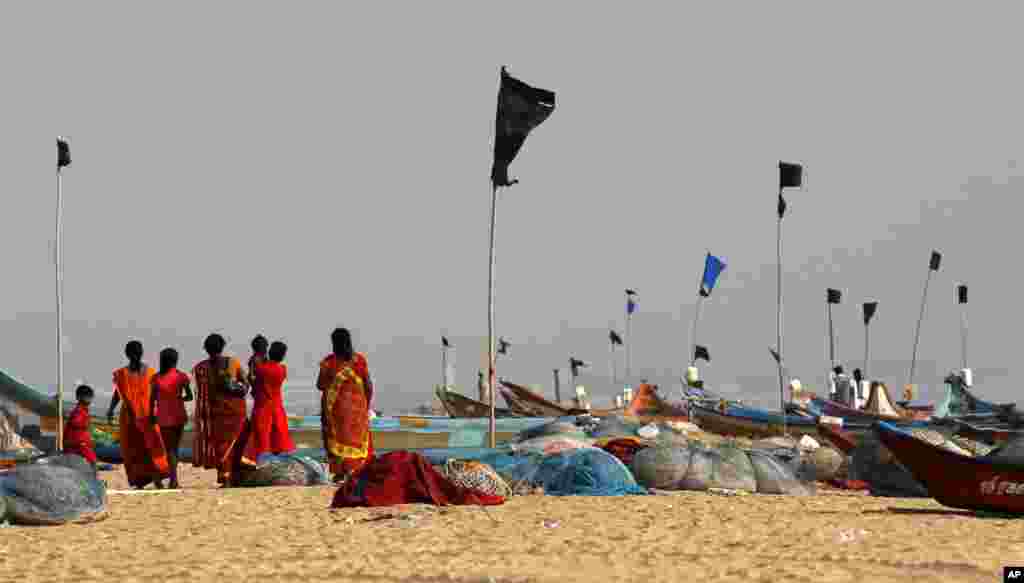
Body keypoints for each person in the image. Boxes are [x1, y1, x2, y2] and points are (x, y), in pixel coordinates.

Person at [108, 341, 170, 489]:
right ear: (127, 354)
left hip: (147, 416)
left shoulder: (150, 373)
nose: (136, 355)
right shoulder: (121, 374)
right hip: (129, 417)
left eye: (137, 352)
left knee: (152, 448)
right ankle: (140, 482)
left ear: (142, 353)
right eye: (133, 352)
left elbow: (157, 393)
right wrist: (111, 409)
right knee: (132, 449)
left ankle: (157, 480)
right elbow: (118, 393)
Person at [317, 328, 374, 483]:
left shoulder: (328, 362)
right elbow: (368, 385)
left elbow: (320, 385)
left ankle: (341, 473)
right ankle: (357, 471)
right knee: (357, 440)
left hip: (335, 411)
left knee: (336, 441)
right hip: (357, 410)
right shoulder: (359, 360)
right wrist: (365, 405)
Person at [192, 333, 250, 487]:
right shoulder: (233, 363)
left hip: (214, 411)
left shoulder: (200, 368)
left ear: (206, 349)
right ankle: (233, 476)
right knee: (235, 442)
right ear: (223, 346)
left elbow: (202, 394)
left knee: (220, 444)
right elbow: (246, 384)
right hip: (235, 409)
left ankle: (225, 475)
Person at [243, 340, 295, 461]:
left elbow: (252, 380)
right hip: (277, 407)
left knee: (261, 438)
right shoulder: (282, 369)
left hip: (262, 407)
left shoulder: (260, 369)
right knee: (278, 437)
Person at [150, 348, 193, 489]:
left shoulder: (156, 378)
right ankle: (173, 480)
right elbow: (190, 396)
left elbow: (152, 399)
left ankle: (164, 478)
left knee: (168, 449)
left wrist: (152, 415)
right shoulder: (181, 376)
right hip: (178, 415)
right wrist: (178, 397)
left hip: (163, 417)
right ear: (175, 361)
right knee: (174, 449)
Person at [64, 384, 96, 467]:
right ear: (78, 398)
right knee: (91, 461)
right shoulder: (79, 410)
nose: (89, 399)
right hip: (77, 443)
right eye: (86, 397)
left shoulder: (83, 410)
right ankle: (93, 478)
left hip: (77, 443)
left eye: (90, 397)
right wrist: (85, 424)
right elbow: (76, 422)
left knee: (86, 462)